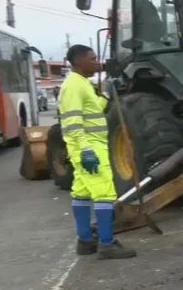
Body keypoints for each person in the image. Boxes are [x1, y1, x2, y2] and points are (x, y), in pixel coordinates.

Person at [58, 44, 136, 259]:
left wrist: (107, 94)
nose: (96, 62)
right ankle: (106, 244)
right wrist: (85, 150)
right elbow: (73, 122)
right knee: (104, 194)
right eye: (92, 59)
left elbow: (93, 111)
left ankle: (85, 241)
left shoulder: (82, 83)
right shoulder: (74, 86)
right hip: (89, 146)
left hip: (89, 145)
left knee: (81, 192)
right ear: (79, 61)